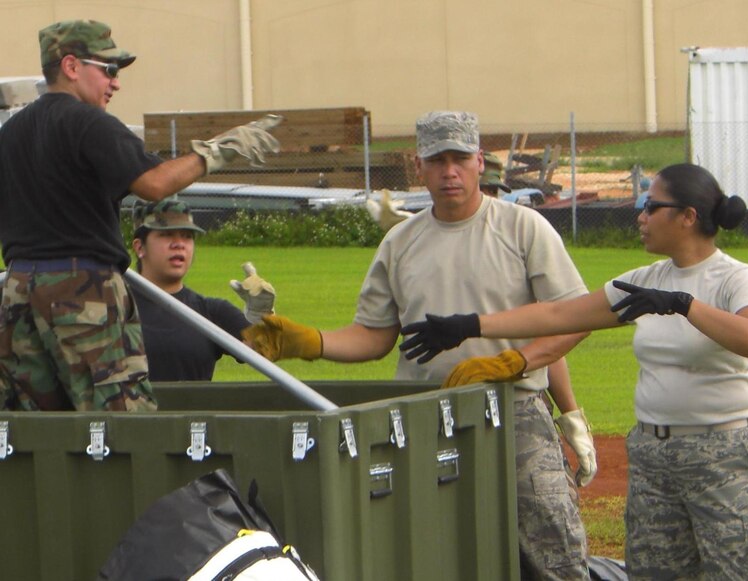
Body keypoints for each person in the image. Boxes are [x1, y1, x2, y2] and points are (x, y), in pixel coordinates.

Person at [244, 111, 593, 579]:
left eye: (460, 159)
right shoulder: (400, 242)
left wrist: (516, 361)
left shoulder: (522, 228)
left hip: (514, 410)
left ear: (480, 162)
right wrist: (309, 341)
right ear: (419, 166)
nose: (450, 171)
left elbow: (576, 318)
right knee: (429, 548)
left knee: (552, 546)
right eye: (438, 160)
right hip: (423, 416)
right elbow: (373, 336)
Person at [399, 163, 748, 579]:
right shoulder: (644, 281)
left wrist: (684, 305)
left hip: (723, 456)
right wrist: (470, 325)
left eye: (651, 207)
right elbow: (560, 314)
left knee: (745, 571)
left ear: (688, 216)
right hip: (654, 457)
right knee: (656, 572)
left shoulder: (737, 279)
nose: (641, 216)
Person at [0, 19, 280, 411]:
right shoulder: (88, 122)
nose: (115, 83)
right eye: (108, 70)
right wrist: (216, 152)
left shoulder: (11, 133)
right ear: (71, 67)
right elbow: (153, 184)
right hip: (81, 291)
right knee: (123, 422)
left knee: (33, 429)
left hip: (17, 291)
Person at [479, 150, 595, 502]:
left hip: (519, 401)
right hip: (447, 400)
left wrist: (571, 415)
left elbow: (550, 342)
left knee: (547, 507)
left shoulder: (517, 237)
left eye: (492, 192)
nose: (487, 200)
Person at [131, 200, 275, 382]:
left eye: (187, 236)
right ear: (139, 247)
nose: (179, 244)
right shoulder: (114, 308)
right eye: (166, 235)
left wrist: (261, 317)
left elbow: (265, 349)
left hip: (193, 410)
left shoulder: (211, 312)